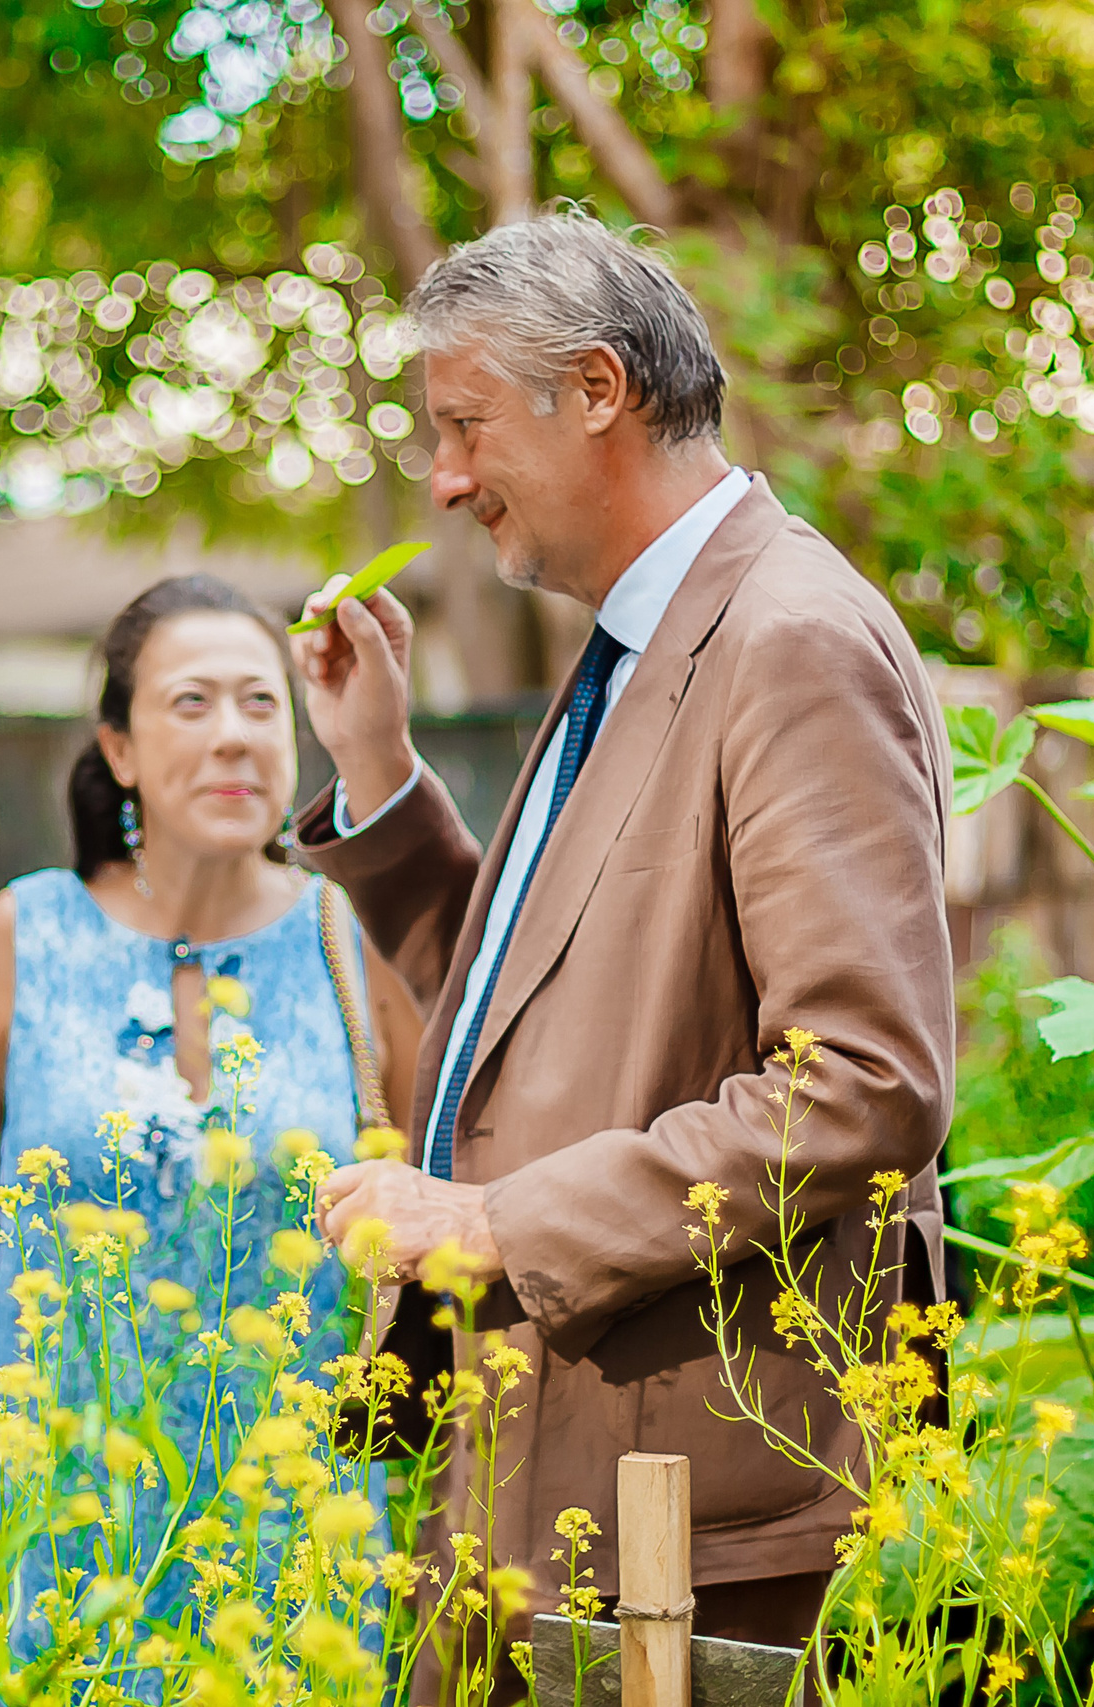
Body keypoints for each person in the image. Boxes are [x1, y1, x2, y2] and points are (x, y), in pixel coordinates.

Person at [302, 212, 952, 1664]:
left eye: (463, 425)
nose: (444, 476)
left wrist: (493, 1225)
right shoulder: (637, 641)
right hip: (544, 1451)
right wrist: (377, 780)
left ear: (599, 390)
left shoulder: (788, 637)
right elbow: (542, 1015)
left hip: (681, 1490)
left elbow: (864, 1080)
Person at [0, 575, 416, 1661]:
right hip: (60, 1516)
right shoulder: (24, 931)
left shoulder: (351, 936)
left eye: (261, 704)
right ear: (117, 749)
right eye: (191, 704)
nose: (233, 739)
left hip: (298, 1524)